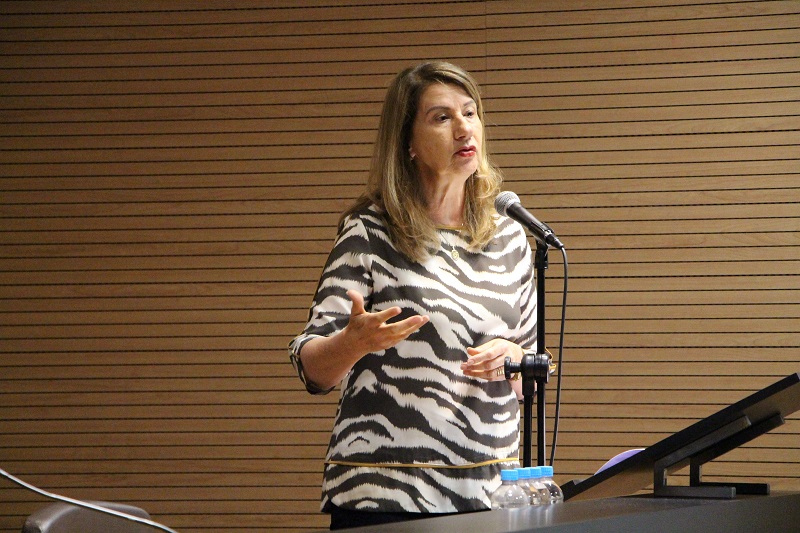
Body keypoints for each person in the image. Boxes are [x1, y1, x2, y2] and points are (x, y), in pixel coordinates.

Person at [289, 61, 537, 530]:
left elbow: (530, 374)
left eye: (470, 112)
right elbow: (312, 368)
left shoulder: (509, 238)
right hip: (385, 493)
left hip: (489, 493)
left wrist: (514, 358)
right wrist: (352, 343)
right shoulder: (370, 232)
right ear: (409, 143)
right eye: (441, 117)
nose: (464, 127)